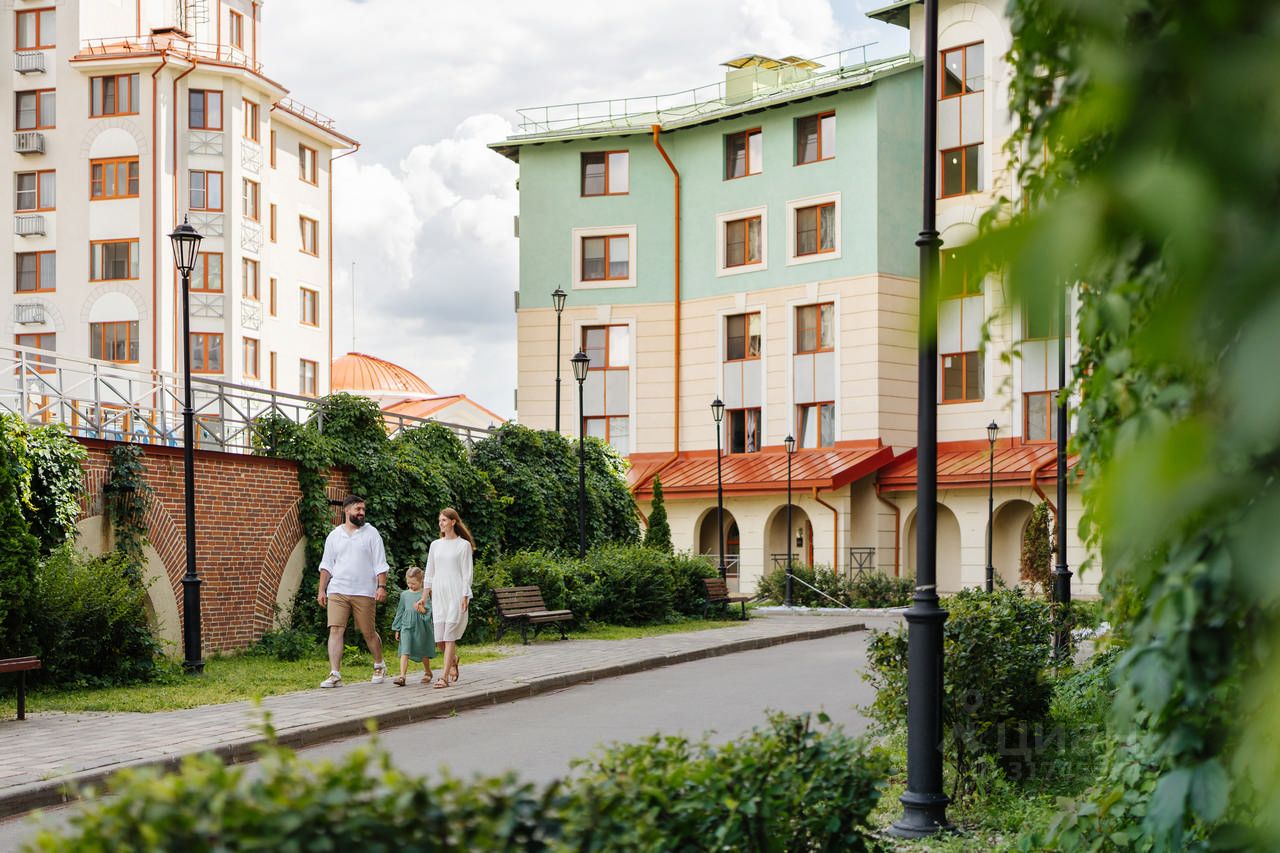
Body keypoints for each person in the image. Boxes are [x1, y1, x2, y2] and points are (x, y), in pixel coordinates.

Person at [316, 495, 389, 688]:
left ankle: (379, 664)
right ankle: (335, 674)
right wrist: (322, 590)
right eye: (358, 509)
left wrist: (381, 586)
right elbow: (326, 565)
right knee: (335, 629)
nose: (361, 513)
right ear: (346, 510)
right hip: (338, 590)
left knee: (368, 632)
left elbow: (380, 563)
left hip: (364, 591)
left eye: (363, 509)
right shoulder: (334, 535)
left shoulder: (371, 533)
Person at [416, 508, 473, 689]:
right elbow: (429, 573)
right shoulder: (435, 545)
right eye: (440, 520)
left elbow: (467, 574)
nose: (441, 523)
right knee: (439, 639)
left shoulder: (463, 545)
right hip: (439, 595)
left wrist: (465, 595)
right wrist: (424, 597)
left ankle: (444, 677)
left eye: (444, 520)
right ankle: (453, 660)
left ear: (453, 522)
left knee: (449, 637)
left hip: (455, 593)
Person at [391, 567, 435, 686]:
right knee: (404, 650)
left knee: (423, 650)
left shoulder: (424, 595)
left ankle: (428, 672)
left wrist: (422, 609)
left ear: (421, 581)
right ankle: (402, 677)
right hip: (406, 626)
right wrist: (397, 628)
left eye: (413, 583)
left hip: (421, 627)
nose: (410, 585)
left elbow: (429, 611)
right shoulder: (404, 595)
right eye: (408, 583)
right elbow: (400, 611)